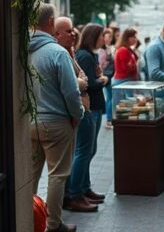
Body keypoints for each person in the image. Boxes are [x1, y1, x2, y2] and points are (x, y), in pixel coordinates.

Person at [28, 5, 85, 232]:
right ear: (51, 22)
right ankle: (53, 225)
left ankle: (28, 220)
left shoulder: (24, 50)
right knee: (58, 175)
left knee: (30, 175)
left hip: (31, 121)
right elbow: (71, 93)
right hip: (56, 121)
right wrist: (77, 115)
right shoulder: (57, 53)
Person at [65, 24, 109, 212]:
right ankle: (75, 193)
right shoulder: (84, 55)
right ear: (93, 37)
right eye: (101, 36)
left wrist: (101, 79)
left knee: (89, 150)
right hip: (88, 108)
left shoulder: (89, 55)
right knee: (84, 151)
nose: (104, 39)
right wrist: (103, 80)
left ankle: (84, 187)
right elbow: (87, 84)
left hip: (95, 107)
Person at [100, 28, 116, 130]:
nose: (110, 38)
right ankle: (109, 119)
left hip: (110, 75)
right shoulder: (103, 49)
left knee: (109, 96)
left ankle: (109, 119)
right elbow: (102, 64)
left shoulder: (109, 48)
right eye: (108, 36)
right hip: (107, 75)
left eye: (110, 36)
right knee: (110, 97)